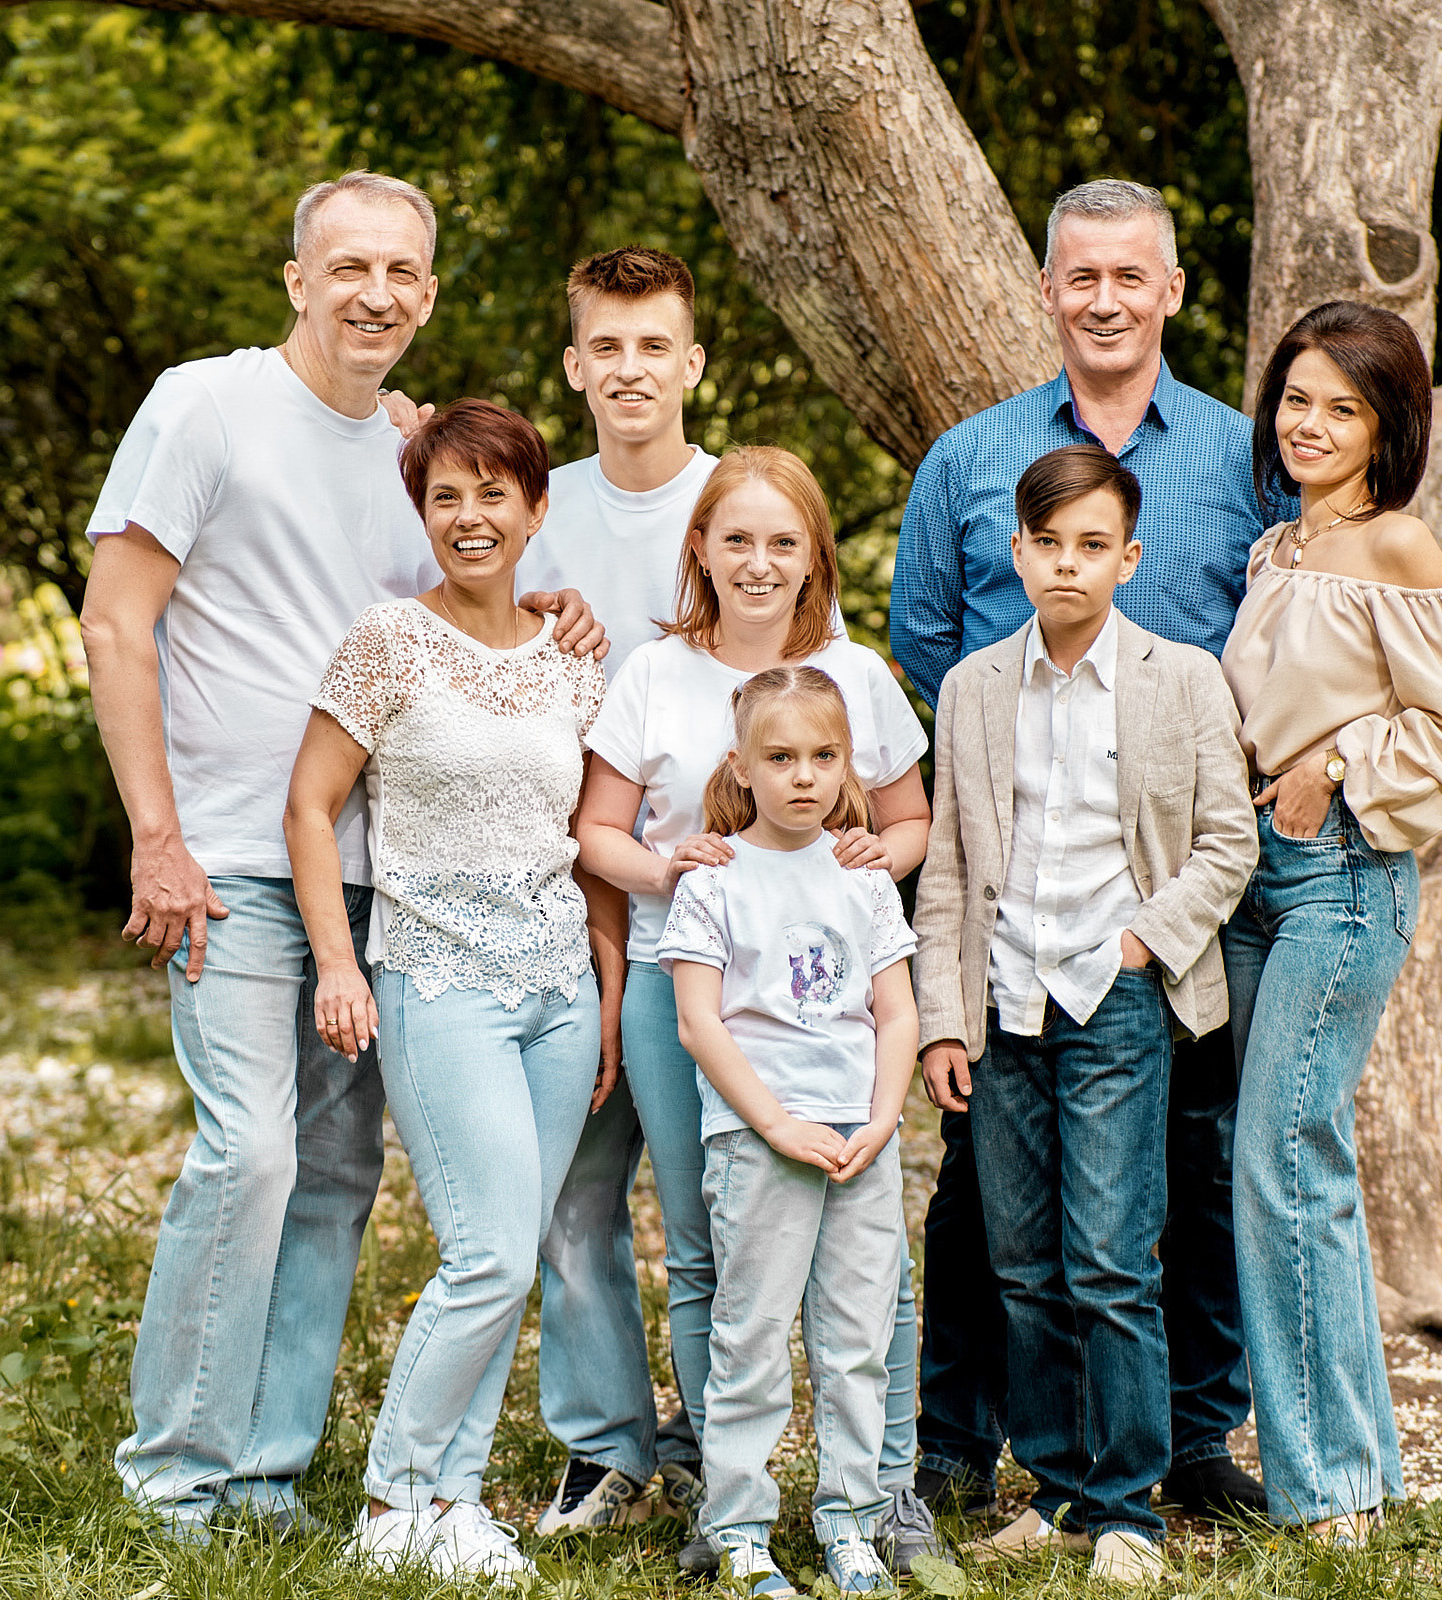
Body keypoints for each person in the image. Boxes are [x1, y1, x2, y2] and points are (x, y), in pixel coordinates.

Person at [78, 171, 599, 1543]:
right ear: (296, 279)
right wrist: (157, 837)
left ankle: (267, 1476)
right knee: (246, 1157)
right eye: (349, 266)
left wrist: (539, 609)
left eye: (404, 274)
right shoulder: (205, 404)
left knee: (332, 1180)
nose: (376, 293)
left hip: (394, 883)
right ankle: (175, 1478)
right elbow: (117, 625)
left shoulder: (407, 450)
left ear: (428, 296)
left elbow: (449, 590)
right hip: (235, 859)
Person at [890, 177, 1278, 1521]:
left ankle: (1183, 1442)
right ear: (1049, 290)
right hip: (1014, 885)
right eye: (1081, 277)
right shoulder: (972, 456)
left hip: (1174, 873)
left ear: (1171, 290)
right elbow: (927, 647)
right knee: (997, 1218)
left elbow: (1276, 631)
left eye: (1132, 276)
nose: (1105, 299)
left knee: (1191, 1171)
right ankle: (962, 1437)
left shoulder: (1240, 457)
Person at [574, 447, 949, 1578]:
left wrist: (875, 855)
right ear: (700, 548)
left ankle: (879, 1498)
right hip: (682, 981)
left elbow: (911, 822)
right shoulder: (654, 672)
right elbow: (596, 832)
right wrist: (667, 864)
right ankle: (718, 1496)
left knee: (864, 1272)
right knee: (707, 1249)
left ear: (815, 557)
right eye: (735, 538)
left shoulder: (858, 676)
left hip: (831, 998)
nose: (759, 561)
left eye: (783, 541)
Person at [910, 445, 1256, 1587]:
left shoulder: (1182, 680)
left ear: (1128, 557)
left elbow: (1227, 844)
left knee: (1110, 1257)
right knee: (1021, 1261)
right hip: (1003, 1002)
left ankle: (1126, 1512)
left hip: (1114, 1000)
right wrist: (942, 1018)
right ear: (1018, 552)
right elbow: (951, 867)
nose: (1068, 564)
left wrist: (1139, 941)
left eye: (1092, 545)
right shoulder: (971, 690)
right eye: (1048, 543)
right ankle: (1056, 1488)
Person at [285, 399, 610, 1577]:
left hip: (561, 989)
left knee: (513, 1248)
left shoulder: (575, 654)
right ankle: (389, 1504)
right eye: (445, 498)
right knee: (487, 1254)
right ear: (423, 513)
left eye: (492, 494)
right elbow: (310, 809)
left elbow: (588, 831)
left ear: (533, 508)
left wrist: (608, 996)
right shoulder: (387, 641)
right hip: (437, 982)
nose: (469, 518)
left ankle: (452, 1500)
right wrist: (336, 959)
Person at [1218, 301, 1442, 1535]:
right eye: (1297, 398)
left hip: (1345, 877)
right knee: (1288, 1168)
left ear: (1388, 426)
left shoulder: (1399, 547)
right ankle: (1357, 1471)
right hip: (1251, 882)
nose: (1312, 424)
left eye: (1344, 407)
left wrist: (1336, 761)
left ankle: (1327, 1492)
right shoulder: (1274, 550)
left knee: (1284, 1161)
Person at [511, 245, 717, 1535]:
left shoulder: (738, 505)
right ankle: (605, 1443)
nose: (631, 369)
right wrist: (532, 607)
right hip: (558, 896)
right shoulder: (535, 509)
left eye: (658, 346)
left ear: (693, 362)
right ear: (575, 366)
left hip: (706, 915)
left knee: (710, 1205)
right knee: (571, 1191)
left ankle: (709, 1433)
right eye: (608, 347)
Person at [655, 666, 922, 1599]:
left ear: (849, 766)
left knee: (856, 1340)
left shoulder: (864, 879)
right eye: (781, 758)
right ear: (742, 765)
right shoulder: (714, 882)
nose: (803, 776)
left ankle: (851, 1519)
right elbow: (699, 1022)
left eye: (823, 757)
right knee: (754, 1335)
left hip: (860, 1139)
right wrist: (773, 1122)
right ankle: (740, 1529)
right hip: (760, 1139)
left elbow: (895, 1014)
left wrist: (884, 1118)